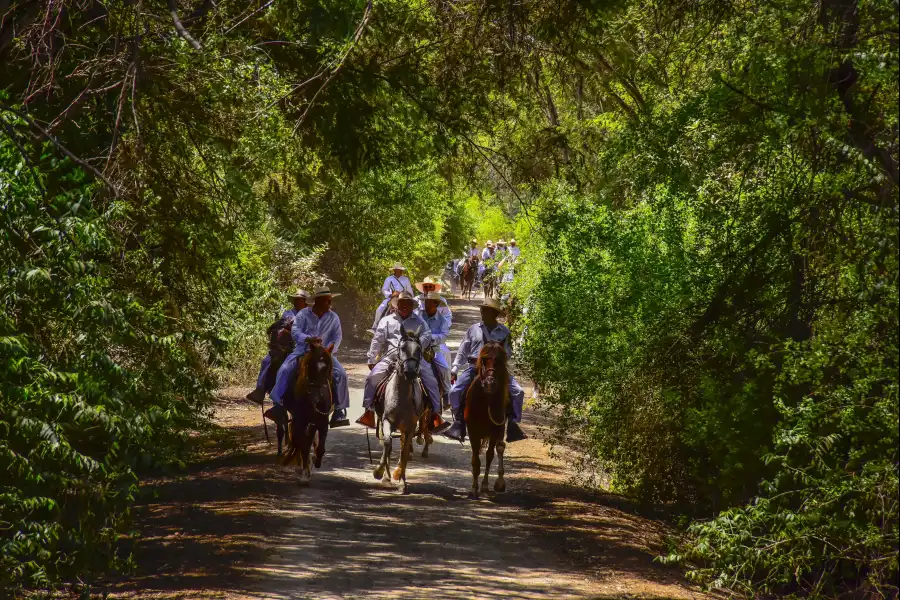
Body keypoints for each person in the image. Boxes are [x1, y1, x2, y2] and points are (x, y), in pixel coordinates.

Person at [356, 292, 447, 431]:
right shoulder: (386, 320)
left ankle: (436, 414)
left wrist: (415, 347)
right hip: (391, 356)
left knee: (432, 381)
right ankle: (369, 411)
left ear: (412, 306)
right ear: (397, 305)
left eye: (408, 303)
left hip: (414, 358)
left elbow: (427, 335)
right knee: (372, 377)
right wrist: (371, 357)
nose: (404, 306)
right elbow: (377, 340)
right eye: (402, 303)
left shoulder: (419, 322)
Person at [443, 297, 526, 443]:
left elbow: (508, 352)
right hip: (474, 366)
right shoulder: (473, 329)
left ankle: (513, 424)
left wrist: (497, 358)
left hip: (496, 368)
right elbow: (463, 350)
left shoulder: (504, 332)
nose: (482, 313)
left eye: (486, 310)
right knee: (454, 391)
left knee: (518, 391)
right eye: (482, 310)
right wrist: (455, 368)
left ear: (493, 313)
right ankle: (459, 422)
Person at [269, 286, 351, 428]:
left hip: (324, 352)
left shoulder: (333, 317)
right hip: (303, 350)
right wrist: (308, 339)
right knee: (284, 369)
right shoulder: (303, 315)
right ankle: (278, 405)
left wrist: (329, 349)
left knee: (341, 374)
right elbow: (295, 332)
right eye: (326, 301)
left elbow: (337, 337)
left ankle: (339, 410)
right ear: (317, 301)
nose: (329, 304)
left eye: (330, 301)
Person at [245, 289, 308, 405]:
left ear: (305, 301)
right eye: (295, 299)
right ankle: (260, 390)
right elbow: (283, 325)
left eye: (299, 299)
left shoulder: (310, 314)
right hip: (287, 346)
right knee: (266, 361)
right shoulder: (288, 313)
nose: (296, 302)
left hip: (305, 346)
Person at [415, 291, 451, 408]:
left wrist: (432, 338)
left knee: (444, 367)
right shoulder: (418, 315)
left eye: (429, 302)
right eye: (426, 301)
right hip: (417, 346)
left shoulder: (442, 320)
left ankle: (446, 393)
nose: (426, 304)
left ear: (436, 304)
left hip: (434, 348)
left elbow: (444, 335)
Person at [370, 263, 414, 332]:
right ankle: (375, 327)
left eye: (401, 270)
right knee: (379, 310)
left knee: (414, 311)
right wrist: (391, 294)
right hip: (391, 297)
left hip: (403, 298)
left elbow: (410, 291)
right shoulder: (389, 279)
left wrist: (402, 294)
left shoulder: (406, 279)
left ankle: (411, 328)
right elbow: (384, 289)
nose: (400, 271)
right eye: (399, 270)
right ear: (395, 270)